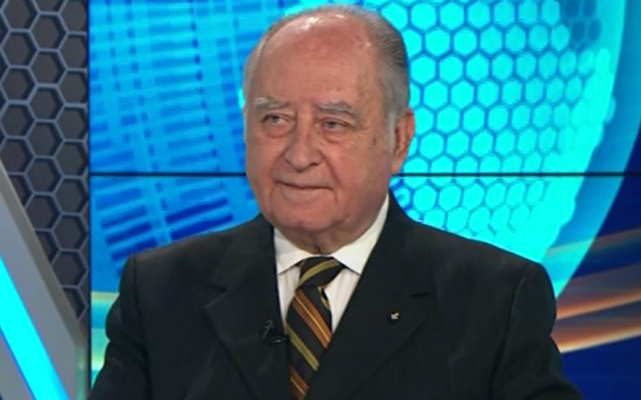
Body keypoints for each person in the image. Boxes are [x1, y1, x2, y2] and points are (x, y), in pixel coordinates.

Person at [89, 5, 581, 400]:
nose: (299, 154)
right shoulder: (159, 292)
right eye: (275, 120)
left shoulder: (495, 301)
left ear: (398, 139)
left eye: (333, 124)